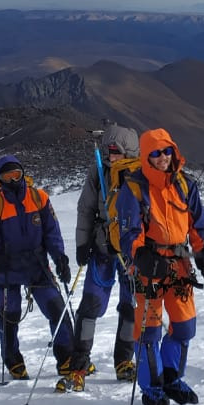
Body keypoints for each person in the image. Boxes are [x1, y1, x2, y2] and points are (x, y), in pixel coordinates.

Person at [116, 128, 204, 405]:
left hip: (179, 266)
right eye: (155, 153)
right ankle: (151, 386)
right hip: (149, 270)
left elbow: (198, 225)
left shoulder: (185, 185)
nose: (162, 158)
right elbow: (129, 232)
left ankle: (171, 377)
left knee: (185, 326)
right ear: (146, 156)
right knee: (149, 331)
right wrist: (140, 254)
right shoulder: (133, 189)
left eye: (166, 151)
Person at [0, 154, 73, 379]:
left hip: (37, 265)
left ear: (23, 173)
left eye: (16, 174)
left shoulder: (39, 198)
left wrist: (59, 257)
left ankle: (67, 357)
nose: (12, 180)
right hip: (7, 269)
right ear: (0, 179)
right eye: (7, 175)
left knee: (56, 309)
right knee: (9, 316)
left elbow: (52, 231)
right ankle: (13, 361)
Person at [66, 123, 140, 391]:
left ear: (128, 151)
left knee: (131, 307)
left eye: (115, 150)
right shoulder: (98, 174)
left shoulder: (141, 177)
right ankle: (79, 364)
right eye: (108, 150)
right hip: (102, 249)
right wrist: (82, 243)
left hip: (132, 253)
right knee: (90, 306)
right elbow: (85, 209)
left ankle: (124, 361)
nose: (110, 155)